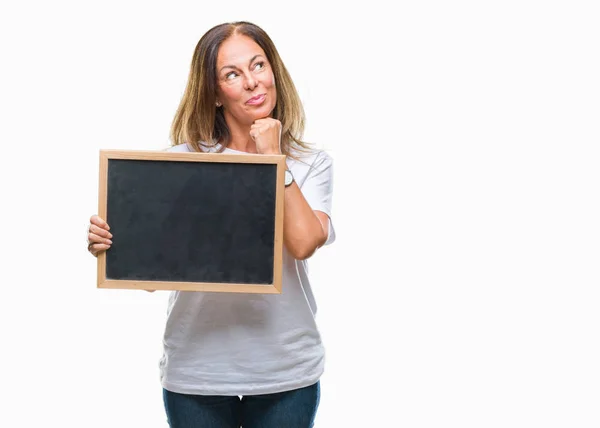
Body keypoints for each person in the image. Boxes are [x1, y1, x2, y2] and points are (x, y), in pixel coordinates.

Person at [87, 21, 335, 428]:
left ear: (275, 71)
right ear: (216, 93)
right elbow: (152, 275)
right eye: (232, 74)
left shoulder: (311, 163)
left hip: (285, 372)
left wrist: (274, 160)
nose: (253, 82)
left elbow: (305, 242)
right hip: (198, 372)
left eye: (259, 65)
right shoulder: (182, 161)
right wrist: (114, 243)